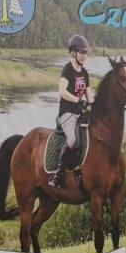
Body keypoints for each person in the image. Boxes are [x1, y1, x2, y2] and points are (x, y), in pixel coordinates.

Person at [50, 34, 94, 188]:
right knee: (72, 140)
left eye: (85, 53)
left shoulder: (85, 73)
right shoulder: (67, 69)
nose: (84, 56)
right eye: (81, 53)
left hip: (80, 114)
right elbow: (62, 92)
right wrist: (78, 100)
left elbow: (89, 96)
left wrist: (98, 105)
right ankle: (58, 174)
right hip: (67, 113)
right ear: (73, 53)